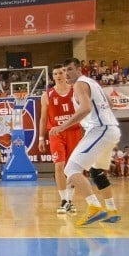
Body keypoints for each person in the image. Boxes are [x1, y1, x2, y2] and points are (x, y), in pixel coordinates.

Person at [49, 57, 122, 226]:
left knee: (71, 169)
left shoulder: (80, 84)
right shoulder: (93, 82)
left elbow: (86, 108)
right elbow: (109, 103)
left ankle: (94, 207)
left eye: (70, 69)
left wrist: (62, 127)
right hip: (110, 130)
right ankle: (112, 210)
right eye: (64, 70)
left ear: (79, 69)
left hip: (100, 130)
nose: (66, 73)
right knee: (97, 172)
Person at [38, 64, 82, 214]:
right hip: (56, 133)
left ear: (66, 74)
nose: (58, 75)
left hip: (74, 132)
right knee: (59, 166)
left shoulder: (76, 90)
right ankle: (63, 200)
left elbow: (85, 110)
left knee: (73, 168)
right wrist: (41, 138)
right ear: (52, 76)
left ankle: (70, 201)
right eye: (55, 73)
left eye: (61, 72)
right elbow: (43, 118)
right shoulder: (47, 95)